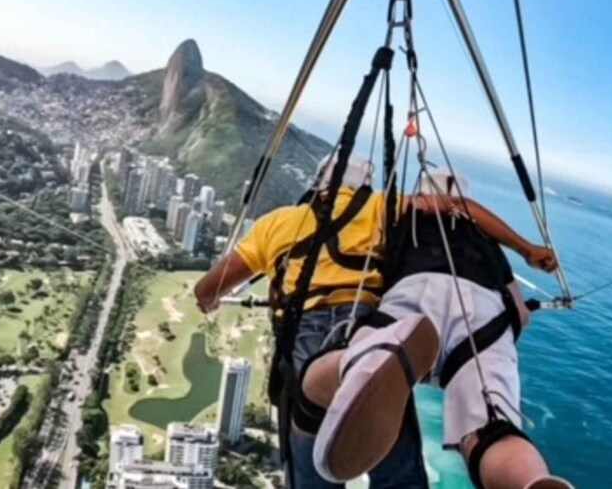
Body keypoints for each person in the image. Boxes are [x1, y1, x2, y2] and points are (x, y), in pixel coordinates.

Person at [300, 168, 573, 489]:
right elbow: (517, 310)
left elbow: (372, 275)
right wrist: (525, 254)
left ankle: (360, 363)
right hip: (483, 311)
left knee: (359, 354)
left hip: (416, 293)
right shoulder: (484, 240)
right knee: (491, 427)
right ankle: (531, 481)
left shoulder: (407, 214)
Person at [193, 153, 429, 489]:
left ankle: (335, 372)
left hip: (305, 334)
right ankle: (353, 368)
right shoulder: (381, 207)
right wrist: (525, 250)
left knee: (310, 464)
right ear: (364, 184)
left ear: (317, 182)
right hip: (368, 328)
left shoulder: (278, 223)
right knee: (397, 470)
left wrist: (208, 301)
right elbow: (443, 207)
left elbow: (208, 287)